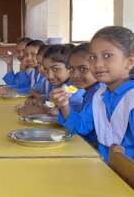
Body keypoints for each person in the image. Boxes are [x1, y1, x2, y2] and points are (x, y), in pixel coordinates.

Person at [50, 26, 134, 162]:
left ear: (129, 62)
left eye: (107, 56)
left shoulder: (131, 99)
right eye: (93, 57)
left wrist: (124, 163)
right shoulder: (100, 96)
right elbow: (79, 127)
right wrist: (64, 105)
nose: (97, 64)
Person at [52, 43, 103, 146]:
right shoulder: (90, 91)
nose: (74, 75)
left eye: (83, 69)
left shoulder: (99, 94)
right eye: (71, 69)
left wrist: (64, 105)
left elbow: (79, 128)